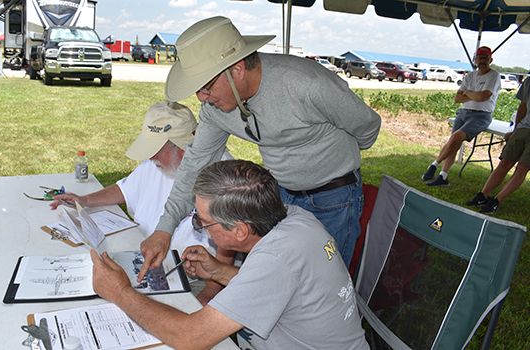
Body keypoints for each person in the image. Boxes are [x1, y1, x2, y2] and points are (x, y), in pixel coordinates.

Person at [139, 16, 382, 277]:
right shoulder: (215, 108)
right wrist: (164, 229)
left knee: (325, 280)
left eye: (206, 87)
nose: (200, 98)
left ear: (238, 70)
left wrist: (327, 158)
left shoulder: (307, 84)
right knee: (279, 277)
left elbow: (367, 128)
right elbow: (194, 164)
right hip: (280, 196)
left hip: (334, 197)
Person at [91, 160, 370, 350]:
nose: (199, 228)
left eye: (202, 221)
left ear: (239, 231)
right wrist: (220, 272)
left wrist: (119, 292)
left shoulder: (277, 258)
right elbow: (284, 287)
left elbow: (190, 337)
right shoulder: (296, 218)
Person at [50, 100, 234, 304]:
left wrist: (209, 293)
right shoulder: (155, 164)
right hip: (145, 263)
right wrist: (84, 200)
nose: (151, 156)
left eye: (156, 150)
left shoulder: (223, 176)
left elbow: (229, 248)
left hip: (194, 280)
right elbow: (125, 189)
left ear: (183, 148)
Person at [422, 46, 501, 186]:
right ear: (475, 59)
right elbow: (457, 98)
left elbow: (483, 96)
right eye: (480, 58)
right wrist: (473, 95)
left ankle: (434, 165)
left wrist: (468, 93)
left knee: (455, 138)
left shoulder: (493, 75)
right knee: (454, 143)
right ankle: (443, 177)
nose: (482, 61)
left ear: (490, 60)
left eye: (485, 58)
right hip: (464, 112)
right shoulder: (471, 75)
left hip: (481, 116)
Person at [464, 76, 530, 214]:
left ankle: (496, 201)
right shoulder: (529, 81)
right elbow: (523, 106)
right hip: (523, 129)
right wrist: (516, 129)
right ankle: (483, 195)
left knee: (522, 168)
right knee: (505, 162)